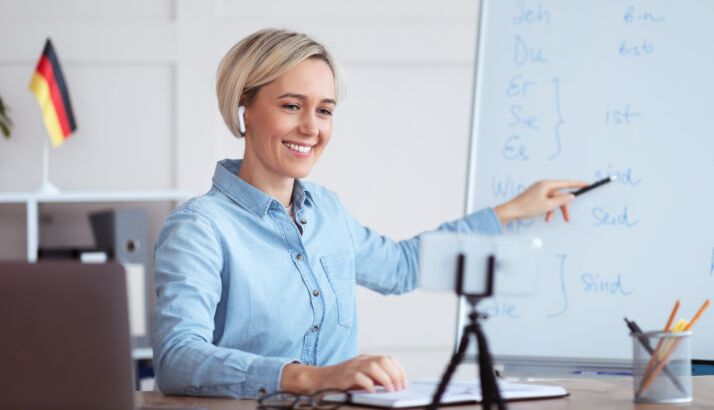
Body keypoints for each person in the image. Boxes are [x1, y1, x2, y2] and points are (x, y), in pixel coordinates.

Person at [152, 28, 587, 399]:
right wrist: (312, 378)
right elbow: (177, 359)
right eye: (291, 105)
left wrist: (511, 211)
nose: (311, 127)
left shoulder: (327, 211)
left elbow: (401, 267)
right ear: (244, 109)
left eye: (324, 110)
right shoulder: (199, 228)